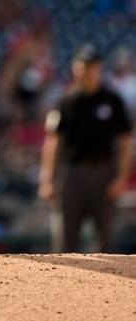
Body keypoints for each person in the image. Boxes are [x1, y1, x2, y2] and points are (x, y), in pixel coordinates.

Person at [39, 44, 133, 252]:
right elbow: (53, 142)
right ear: (75, 69)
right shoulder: (65, 102)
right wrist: (47, 178)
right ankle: (64, 282)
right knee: (66, 235)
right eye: (83, 66)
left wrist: (121, 178)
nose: (87, 71)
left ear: (100, 68)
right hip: (72, 173)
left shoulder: (112, 101)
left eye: (92, 66)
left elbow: (126, 143)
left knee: (106, 237)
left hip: (104, 172)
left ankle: (107, 284)